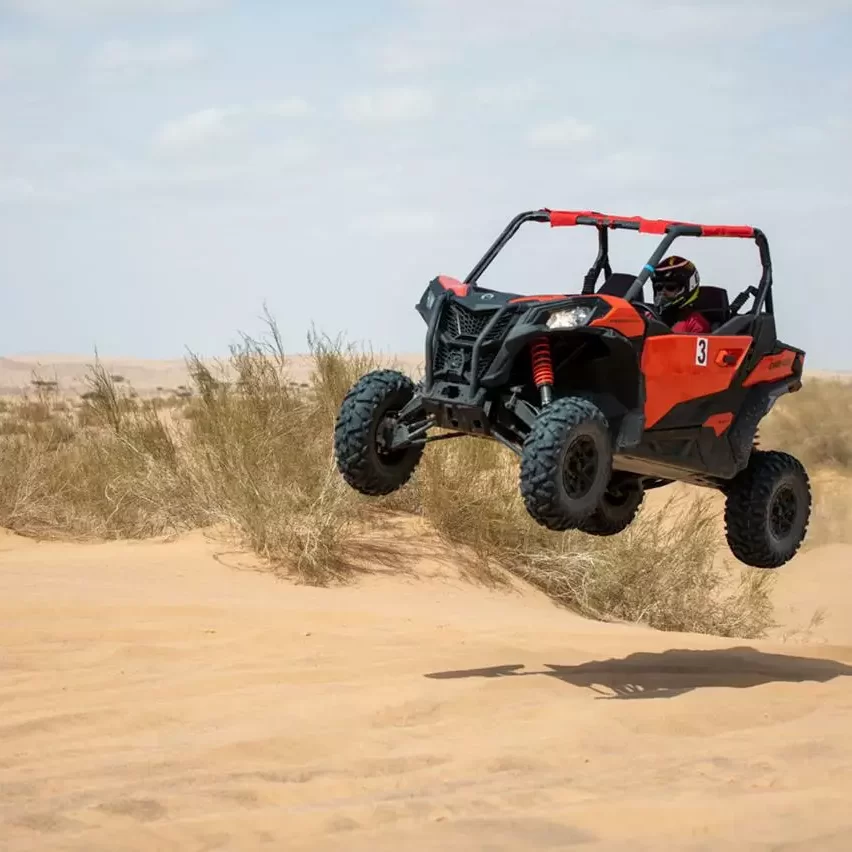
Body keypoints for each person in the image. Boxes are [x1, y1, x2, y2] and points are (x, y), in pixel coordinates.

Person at [650, 255, 711, 334]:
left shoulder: (696, 324)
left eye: (670, 287)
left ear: (688, 288)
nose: (662, 292)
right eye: (658, 287)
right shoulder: (649, 316)